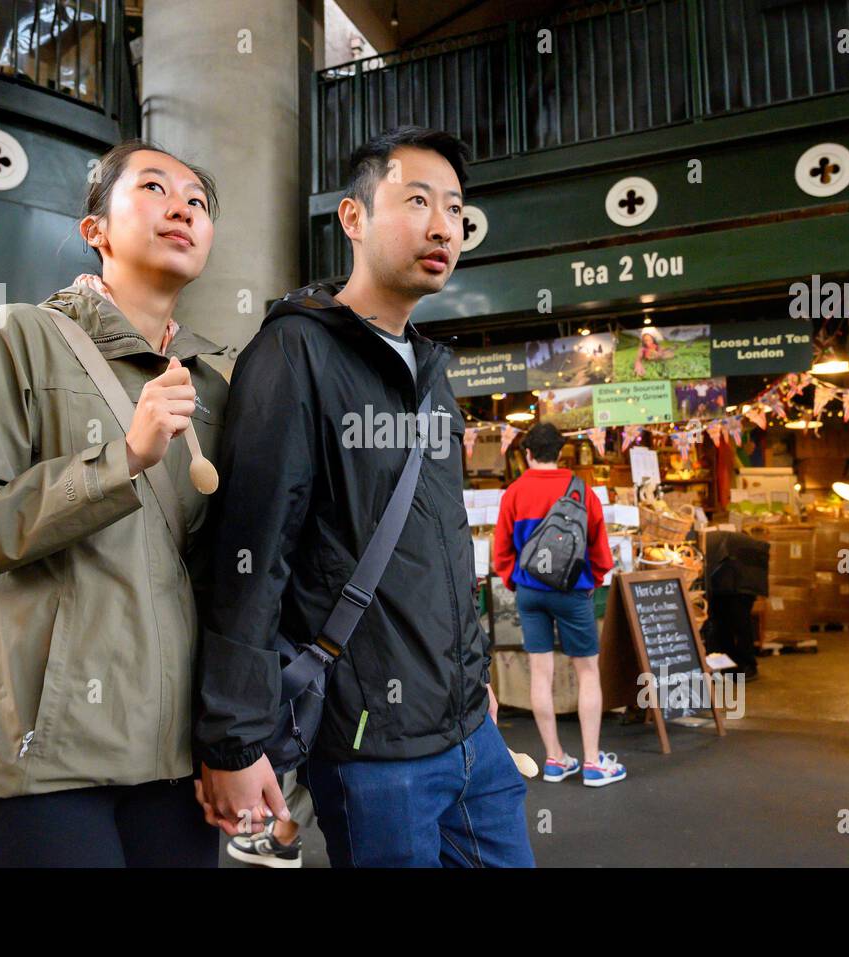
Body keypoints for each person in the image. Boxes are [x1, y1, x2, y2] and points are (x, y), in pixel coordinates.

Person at [195, 126, 534, 868]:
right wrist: (233, 738)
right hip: (373, 747)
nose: (444, 225)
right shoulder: (294, 353)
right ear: (353, 218)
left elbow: (444, 546)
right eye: (417, 201)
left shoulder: (431, 374)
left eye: (455, 209)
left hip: (470, 733)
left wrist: (471, 681)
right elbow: (249, 556)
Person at [0, 140, 228, 867]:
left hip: (182, 753)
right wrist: (121, 461)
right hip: (47, 753)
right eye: (153, 187)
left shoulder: (216, 381)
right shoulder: (19, 337)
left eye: (199, 201)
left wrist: (239, 736)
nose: (182, 206)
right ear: (96, 231)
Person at [492, 423, 625, 787]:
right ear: (561, 453)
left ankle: (554, 759)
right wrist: (589, 583)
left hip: (530, 593)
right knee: (587, 672)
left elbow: (501, 551)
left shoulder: (514, 493)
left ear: (528, 454)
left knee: (541, 672)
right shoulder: (583, 492)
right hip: (572, 592)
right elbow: (600, 551)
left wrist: (515, 582)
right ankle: (593, 762)